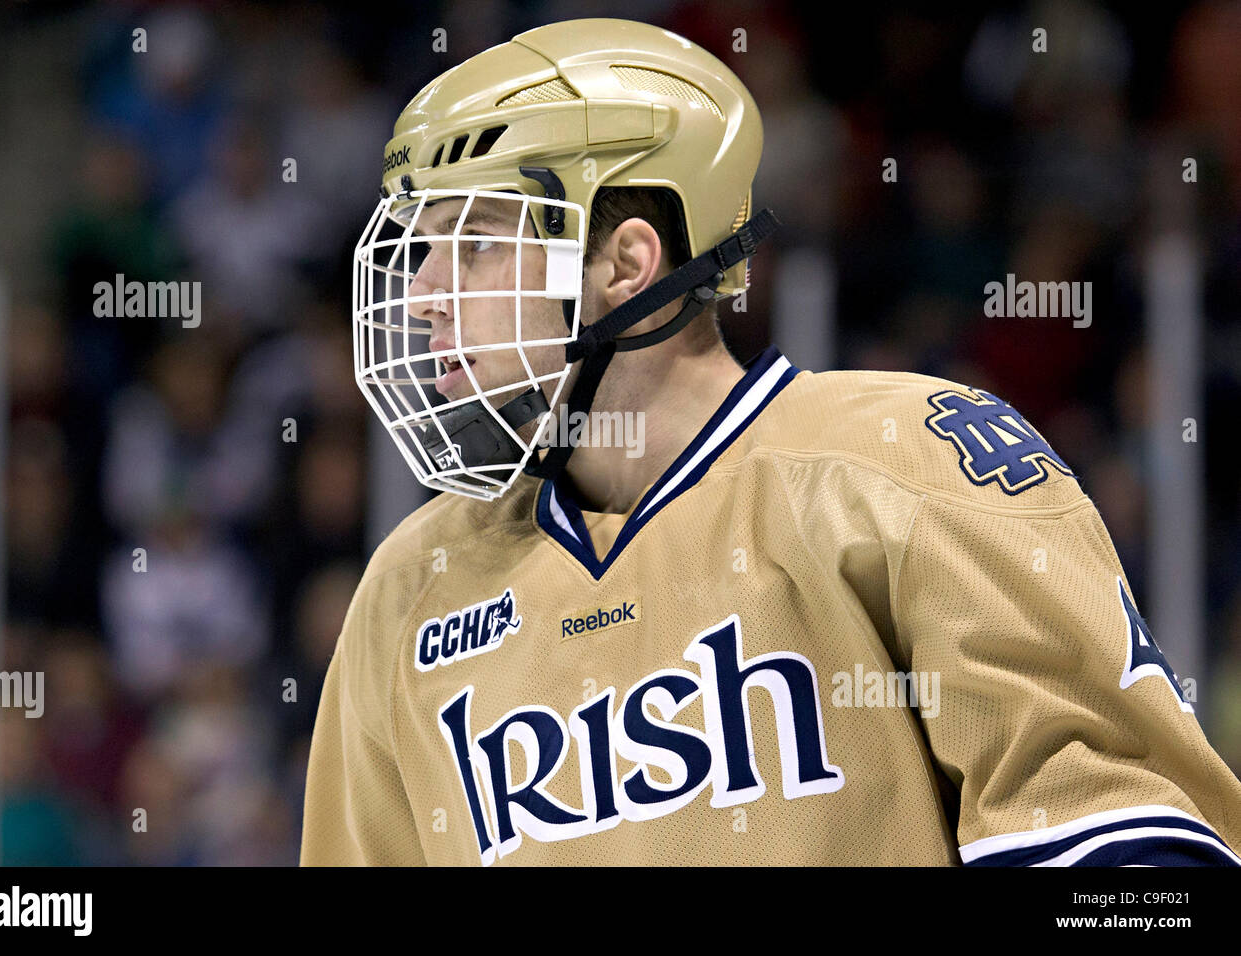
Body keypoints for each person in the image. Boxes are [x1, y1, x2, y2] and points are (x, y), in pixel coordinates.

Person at [300, 18, 1241, 866]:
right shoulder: (408, 591)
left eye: (471, 245)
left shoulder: (896, 459)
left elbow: (1135, 858)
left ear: (627, 262)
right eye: (417, 250)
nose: (420, 294)